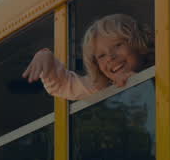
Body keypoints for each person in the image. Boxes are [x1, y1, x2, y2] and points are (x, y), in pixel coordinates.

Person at [21, 13, 153, 101]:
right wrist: (45, 56)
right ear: (96, 66)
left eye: (118, 45)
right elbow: (64, 85)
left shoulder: (167, 61)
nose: (111, 57)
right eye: (101, 56)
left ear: (138, 42)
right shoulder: (101, 86)